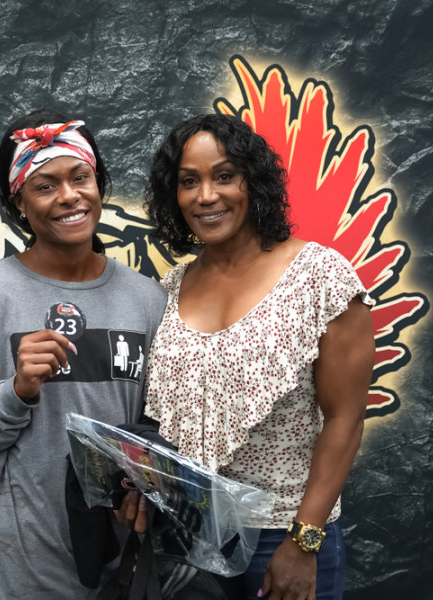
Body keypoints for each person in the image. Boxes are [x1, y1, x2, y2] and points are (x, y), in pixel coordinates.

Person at [0, 109, 167, 599]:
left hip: (120, 562)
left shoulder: (148, 300)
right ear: (18, 202)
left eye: (80, 177)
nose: (69, 196)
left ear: (99, 183)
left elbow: (161, 428)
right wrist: (16, 392)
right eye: (45, 186)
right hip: (16, 564)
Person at [138, 113, 375, 600]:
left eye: (225, 176)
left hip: (285, 536)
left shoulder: (318, 275)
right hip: (189, 539)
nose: (206, 196)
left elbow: (346, 420)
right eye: (188, 182)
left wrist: (303, 542)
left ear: (254, 182)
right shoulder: (170, 288)